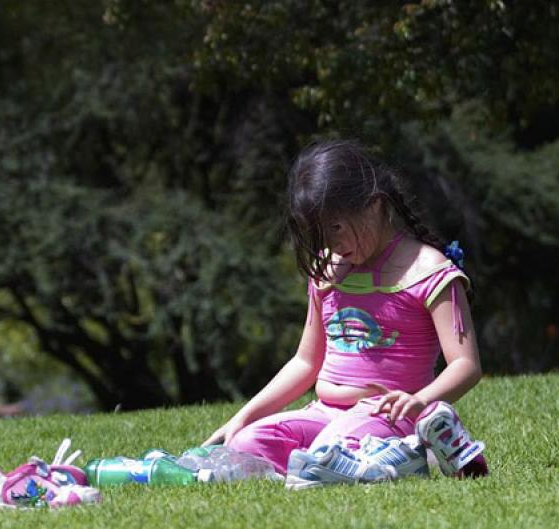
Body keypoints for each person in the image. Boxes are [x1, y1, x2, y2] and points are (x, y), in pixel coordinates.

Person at [203, 140, 488, 488]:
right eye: (322, 232)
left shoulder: (427, 270)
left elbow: (466, 365)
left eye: (336, 226)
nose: (332, 243)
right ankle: (406, 454)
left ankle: (415, 444)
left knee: (327, 453)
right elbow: (306, 362)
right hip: (325, 413)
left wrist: (419, 401)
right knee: (247, 446)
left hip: (388, 415)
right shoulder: (328, 272)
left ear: (374, 204)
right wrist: (244, 417)